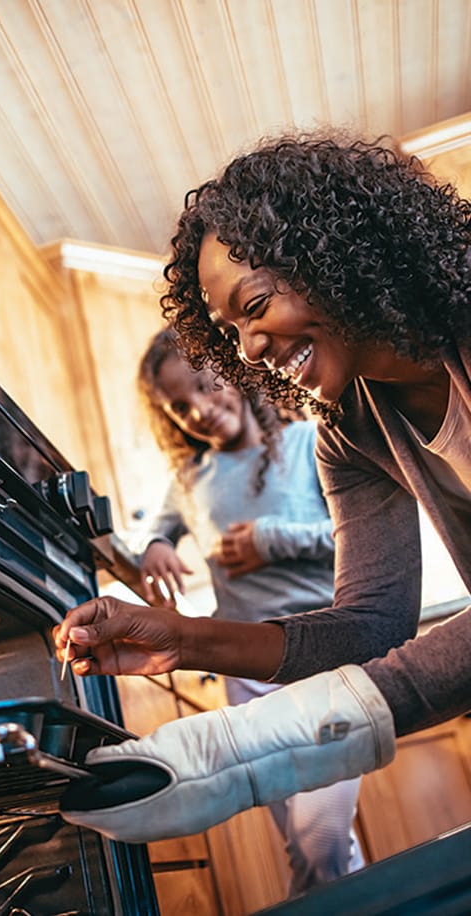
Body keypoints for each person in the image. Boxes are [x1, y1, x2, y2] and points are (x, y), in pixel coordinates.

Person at [53, 130, 471, 846]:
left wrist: (244, 748)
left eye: (253, 307)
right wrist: (184, 638)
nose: (247, 352)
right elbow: (372, 625)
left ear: (333, 259)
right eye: (228, 332)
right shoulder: (351, 432)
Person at [132, 326, 364, 893]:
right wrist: (157, 545)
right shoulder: (190, 479)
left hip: (328, 664)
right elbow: (157, 530)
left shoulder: (312, 443)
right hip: (251, 679)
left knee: (322, 838)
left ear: (233, 371)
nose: (201, 410)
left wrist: (270, 539)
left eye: (208, 387)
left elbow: (356, 541)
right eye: (180, 407)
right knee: (309, 849)